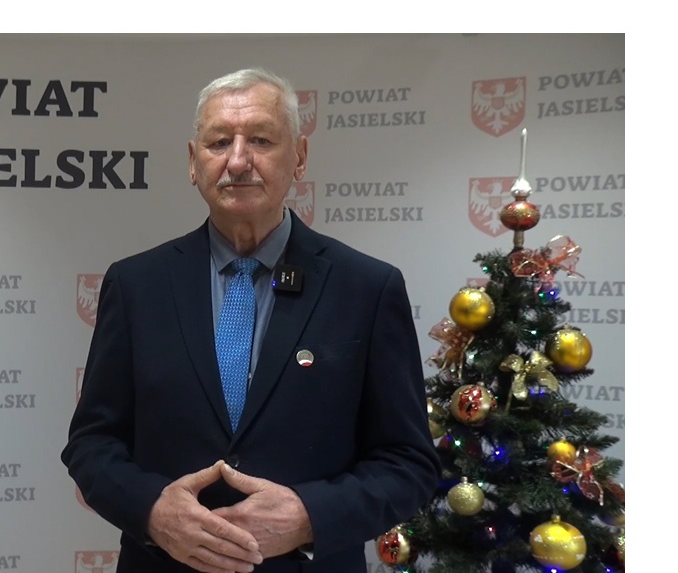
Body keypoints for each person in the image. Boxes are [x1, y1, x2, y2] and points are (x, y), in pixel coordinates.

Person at [61, 67, 439, 573]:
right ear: (193, 162)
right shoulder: (136, 285)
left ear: (299, 156)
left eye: (260, 140)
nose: (238, 161)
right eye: (219, 142)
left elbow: (409, 463)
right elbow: (91, 444)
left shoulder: (367, 288)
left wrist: (309, 516)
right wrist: (154, 511)